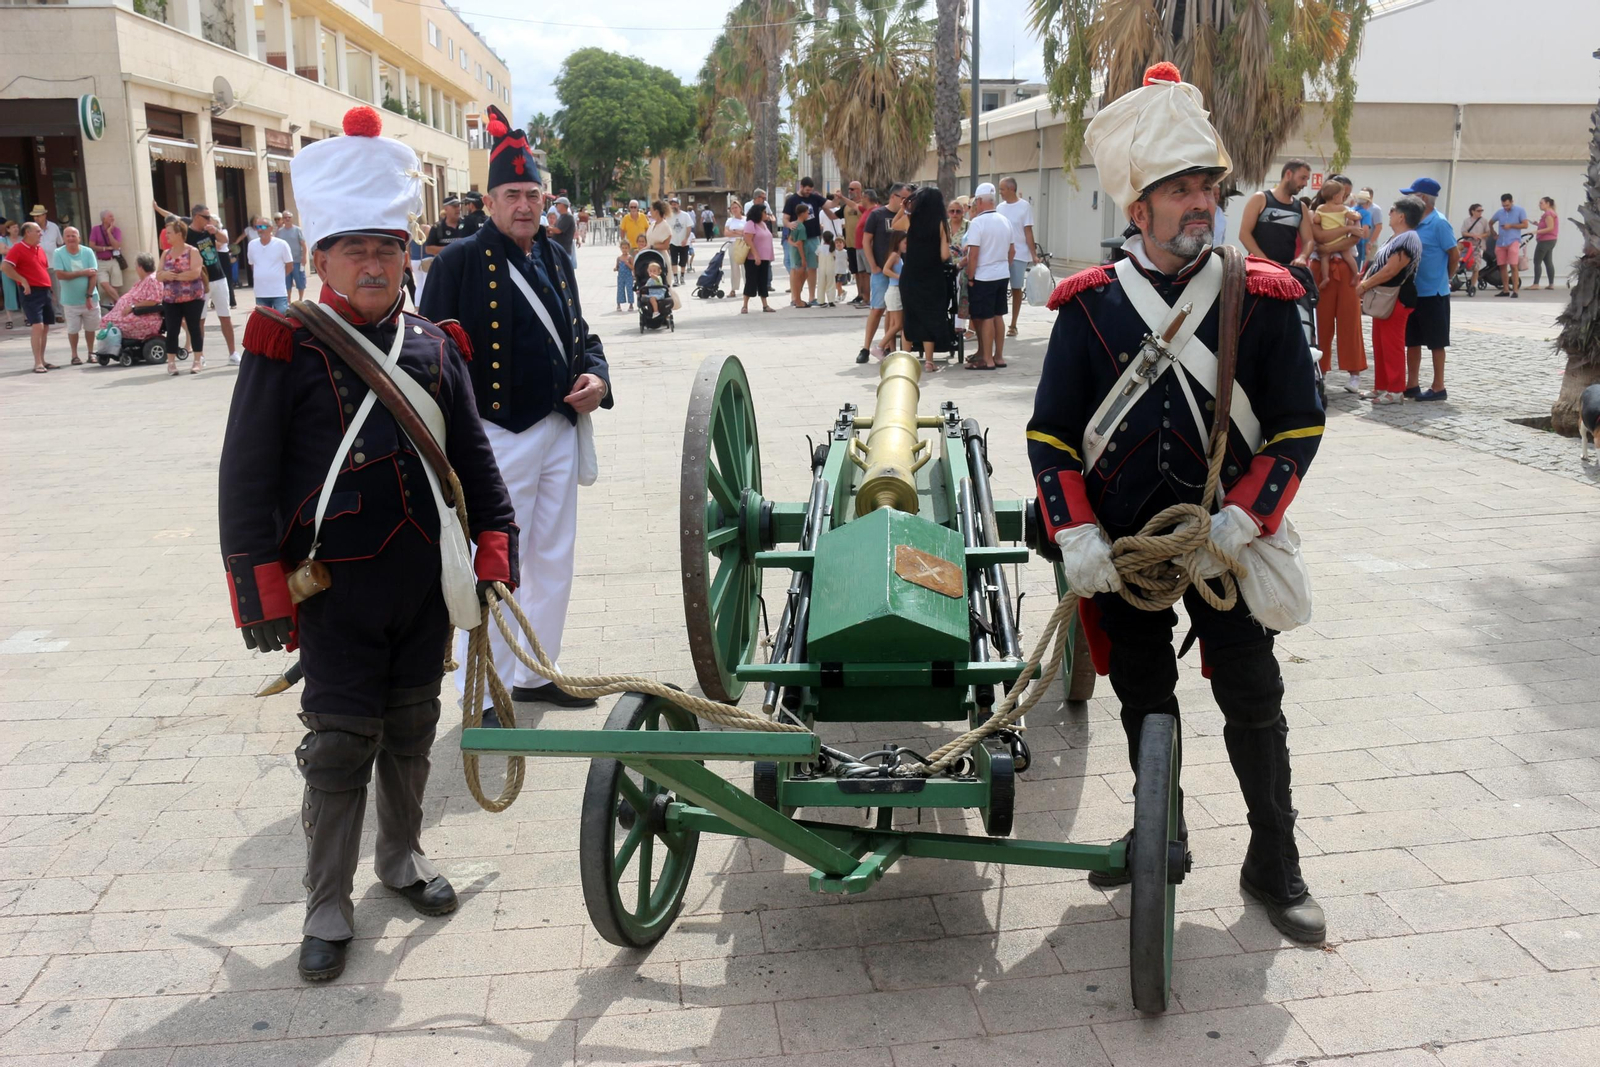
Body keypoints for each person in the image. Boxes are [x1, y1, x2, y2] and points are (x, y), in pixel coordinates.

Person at [1029, 62, 1327, 944]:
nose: (1202, 202)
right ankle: (1164, 833)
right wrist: (1075, 531)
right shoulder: (1086, 310)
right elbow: (1051, 435)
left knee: (1255, 702)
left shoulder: (1261, 295)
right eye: (1181, 189)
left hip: (1225, 550)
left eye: (1208, 186)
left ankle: (1276, 859)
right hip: (1128, 555)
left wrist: (1244, 515)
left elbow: (1298, 424)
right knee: (1144, 698)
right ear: (1139, 207)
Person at [219, 106, 517, 984]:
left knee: (415, 725)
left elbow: (472, 457)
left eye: (388, 247)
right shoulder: (283, 346)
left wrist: (495, 548)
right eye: (355, 249)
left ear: (406, 254)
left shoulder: (434, 345)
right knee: (341, 741)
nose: (375, 263)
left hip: (422, 583)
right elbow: (244, 479)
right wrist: (259, 592)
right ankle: (326, 902)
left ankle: (402, 859)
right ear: (319, 260)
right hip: (334, 591)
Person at [419, 105, 613, 714]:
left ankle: (535, 671)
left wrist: (597, 377)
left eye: (532, 194)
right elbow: (431, 353)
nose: (524, 205)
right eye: (512, 194)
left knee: (554, 555)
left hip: (559, 425)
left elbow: (581, 333)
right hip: (496, 433)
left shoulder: (556, 255)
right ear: (490, 200)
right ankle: (482, 688)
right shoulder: (457, 261)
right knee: (498, 557)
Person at [1355, 196, 1423, 405]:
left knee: (1392, 344)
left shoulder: (1408, 238)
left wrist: (1365, 285)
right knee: (1380, 343)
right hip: (1384, 297)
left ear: (1402, 216)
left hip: (1397, 296)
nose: (1389, 214)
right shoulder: (1395, 237)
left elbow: (1391, 269)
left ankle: (1395, 389)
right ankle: (1382, 385)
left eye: (1393, 210)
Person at [153, 200, 239, 364]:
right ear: (196, 216)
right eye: (206, 217)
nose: (209, 219)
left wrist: (215, 231)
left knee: (225, 317)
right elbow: (172, 217)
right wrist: (157, 209)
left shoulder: (209, 230)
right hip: (200, 282)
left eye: (209, 216)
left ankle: (233, 353)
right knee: (199, 320)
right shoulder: (187, 233)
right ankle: (201, 355)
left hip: (219, 278)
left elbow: (225, 240)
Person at [1401, 177, 1459, 401]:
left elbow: (1454, 254)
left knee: (1436, 342)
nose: (1408, 199)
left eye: (1412, 195)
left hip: (1434, 292)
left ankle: (1438, 386)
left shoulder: (1439, 223)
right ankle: (1412, 383)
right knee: (1412, 340)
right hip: (1414, 291)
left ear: (1423, 198)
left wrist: (1446, 277)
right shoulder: (1413, 222)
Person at [1309, 177, 1367, 393]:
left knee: (1350, 320)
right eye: (1344, 193)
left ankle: (1354, 372)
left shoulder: (1350, 212)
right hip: (1321, 268)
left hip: (1343, 267)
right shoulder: (1316, 212)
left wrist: (1331, 243)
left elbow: (1355, 238)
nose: (1346, 197)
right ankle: (1320, 369)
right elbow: (1319, 237)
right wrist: (1343, 232)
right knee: (1321, 321)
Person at [901, 185, 954, 374]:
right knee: (930, 316)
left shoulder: (910, 220)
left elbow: (894, 225)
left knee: (910, 315)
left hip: (910, 275)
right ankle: (930, 361)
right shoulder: (942, 223)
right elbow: (944, 254)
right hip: (932, 276)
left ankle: (905, 360)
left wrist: (904, 206)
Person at [962, 183, 1014, 371]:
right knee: (998, 316)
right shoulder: (1004, 220)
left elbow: (973, 254)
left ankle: (986, 359)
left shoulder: (978, 223)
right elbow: (1012, 251)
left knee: (985, 317)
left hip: (984, 276)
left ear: (980, 201)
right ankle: (998, 356)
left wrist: (970, 276)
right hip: (1002, 274)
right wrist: (1002, 267)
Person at [858, 184, 909, 363]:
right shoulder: (877, 215)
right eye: (903, 197)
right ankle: (866, 347)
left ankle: (888, 347)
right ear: (893, 196)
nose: (906, 201)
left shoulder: (906, 217)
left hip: (899, 272)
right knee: (877, 308)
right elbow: (866, 240)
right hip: (881, 271)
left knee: (894, 311)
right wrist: (872, 265)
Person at [2, 222, 57, 373]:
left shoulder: (39, 249)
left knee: (45, 326)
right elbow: (5, 267)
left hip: (44, 291)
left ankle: (43, 360)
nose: (41, 234)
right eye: (38, 231)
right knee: (37, 326)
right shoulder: (18, 248)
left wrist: (51, 291)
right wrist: (23, 280)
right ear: (27, 232)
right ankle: (37, 362)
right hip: (30, 292)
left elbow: (43, 269)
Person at [1239, 160, 1315, 267]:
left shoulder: (1301, 207)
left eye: (1307, 180)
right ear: (1288, 174)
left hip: (1287, 270)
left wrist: (1302, 257)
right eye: (1302, 178)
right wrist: (1265, 261)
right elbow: (1244, 234)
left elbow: (1308, 240)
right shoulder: (1260, 199)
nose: (1305, 184)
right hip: (1259, 268)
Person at [157, 216, 207, 375]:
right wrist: (165, 274)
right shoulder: (166, 253)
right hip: (171, 298)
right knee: (172, 329)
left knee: (194, 327)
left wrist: (173, 276)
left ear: (179, 234)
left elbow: (195, 273)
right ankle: (171, 363)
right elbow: (158, 275)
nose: (166, 235)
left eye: (170, 233)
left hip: (193, 297)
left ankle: (197, 360)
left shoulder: (192, 251)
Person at [50, 226, 101, 365]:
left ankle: (91, 353)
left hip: (90, 299)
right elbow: (60, 274)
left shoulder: (88, 252)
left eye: (74, 235)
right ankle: (74, 355)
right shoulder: (58, 253)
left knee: (91, 328)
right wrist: (82, 273)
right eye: (68, 236)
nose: (71, 238)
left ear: (79, 238)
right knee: (73, 329)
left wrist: (89, 295)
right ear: (64, 238)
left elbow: (93, 274)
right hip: (70, 300)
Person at [996, 177, 1038, 338]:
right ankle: (997, 321)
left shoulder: (1024, 207)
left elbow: (1028, 231)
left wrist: (1033, 254)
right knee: (999, 288)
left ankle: (1013, 324)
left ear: (1011, 189)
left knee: (1016, 288)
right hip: (1001, 254)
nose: (1000, 193)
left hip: (1019, 254)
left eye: (1002, 189)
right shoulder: (999, 208)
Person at [782, 176, 831, 307]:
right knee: (795, 268)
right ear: (801, 187)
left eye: (811, 190)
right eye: (807, 190)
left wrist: (838, 198)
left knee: (813, 267)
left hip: (813, 237)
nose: (809, 192)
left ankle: (811, 297)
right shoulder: (792, 200)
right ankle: (795, 297)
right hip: (799, 238)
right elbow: (785, 218)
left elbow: (830, 205)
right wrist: (789, 224)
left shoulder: (815, 198)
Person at [99, 252, 165, 347]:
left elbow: (153, 301)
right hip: (133, 312)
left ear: (141, 267)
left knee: (108, 322)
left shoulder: (152, 280)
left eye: (136, 266)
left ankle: (114, 347)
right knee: (106, 320)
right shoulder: (143, 280)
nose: (135, 268)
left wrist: (132, 306)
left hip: (144, 315)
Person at [246, 215, 295, 313]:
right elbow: (252, 265)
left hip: (278, 292)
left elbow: (289, 265)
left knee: (282, 320)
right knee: (264, 322)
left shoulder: (281, 244)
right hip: (261, 293)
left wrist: (277, 275)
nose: (260, 230)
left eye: (263, 227)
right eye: (257, 227)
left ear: (271, 228)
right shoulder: (252, 245)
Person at [1489, 192, 1529, 297]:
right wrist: (1493, 233)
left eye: (1507, 205)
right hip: (1501, 241)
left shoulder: (1520, 210)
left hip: (1513, 240)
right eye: (1503, 205)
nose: (1505, 207)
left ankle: (1515, 290)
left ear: (1512, 202)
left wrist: (1511, 226)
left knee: (1513, 265)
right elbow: (1490, 222)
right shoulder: (1500, 212)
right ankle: (1505, 289)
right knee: (1502, 266)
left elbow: (1525, 225)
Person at [28, 205, 65, 319]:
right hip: (38, 265)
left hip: (53, 264)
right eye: (34, 216)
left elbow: (60, 243)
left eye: (38, 216)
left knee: (57, 289)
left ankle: (59, 313)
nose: (36, 218)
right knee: (42, 291)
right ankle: (45, 313)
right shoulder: (31, 228)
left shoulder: (54, 227)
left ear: (44, 215)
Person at [739, 202, 776, 314]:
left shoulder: (763, 224)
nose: (766, 214)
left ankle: (765, 305)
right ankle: (745, 305)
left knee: (763, 281)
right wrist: (755, 254)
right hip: (753, 258)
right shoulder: (751, 223)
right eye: (764, 212)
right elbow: (748, 239)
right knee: (751, 280)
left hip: (765, 257)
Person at [88, 210, 125, 305]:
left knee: (116, 285)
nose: (113, 218)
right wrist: (105, 248)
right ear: (104, 219)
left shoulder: (116, 230)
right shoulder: (96, 229)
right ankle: (121, 303)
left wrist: (109, 232)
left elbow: (116, 246)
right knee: (104, 284)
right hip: (101, 262)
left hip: (114, 260)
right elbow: (92, 245)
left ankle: (113, 305)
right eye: (110, 217)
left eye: (113, 216)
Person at [879, 230, 906, 354]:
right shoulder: (894, 255)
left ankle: (893, 350)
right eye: (905, 243)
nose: (907, 245)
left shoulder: (898, 256)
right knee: (898, 325)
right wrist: (899, 277)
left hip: (895, 291)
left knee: (893, 323)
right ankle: (880, 346)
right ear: (898, 242)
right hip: (894, 291)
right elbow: (885, 269)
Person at [841, 181, 866, 305]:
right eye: (848, 189)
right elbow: (833, 215)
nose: (849, 191)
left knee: (864, 272)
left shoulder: (863, 205)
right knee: (855, 271)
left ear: (859, 190)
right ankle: (859, 294)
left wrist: (842, 198)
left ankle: (866, 295)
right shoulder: (846, 207)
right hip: (850, 243)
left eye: (852, 189)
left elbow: (857, 207)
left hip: (862, 244)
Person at [278, 210, 309, 301]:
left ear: (292, 219)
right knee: (287, 282)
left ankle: (300, 299)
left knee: (300, 281)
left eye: (289, 217)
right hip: (284, 262)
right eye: (285, 217)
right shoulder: (279, 232)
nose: (287, 219)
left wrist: (304, 258)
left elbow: (303, 244)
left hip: (297, 261)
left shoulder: (297, 230)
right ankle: (288, 301)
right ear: (283, 219)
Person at [1459, 203, 1489, 295]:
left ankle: (1473, 285)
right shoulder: (1467, 221)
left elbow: (1487, 233)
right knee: (1464, 262)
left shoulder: (1483, 221)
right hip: (1468, 245)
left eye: (1481, 211)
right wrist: (1472, 235)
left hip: (1478, 246)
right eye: (1478, 211)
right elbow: (1463, 233)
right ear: (1472, 211)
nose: (1480, 212)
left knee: (1476, 266)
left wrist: (1480, 236)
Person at [1531, 197, 1559, 289]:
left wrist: (1536, 232)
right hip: (1551, 240)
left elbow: (1550, 228)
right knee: (1548, 261)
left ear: (1548, 204)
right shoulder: (1550, 213)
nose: (1539, 205)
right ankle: (1551, 284)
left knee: (1537, 261)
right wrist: (1537, 225)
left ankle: (1536, 284)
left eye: (1541, 203)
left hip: (1545, 241)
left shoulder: (1548, 213)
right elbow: (1547, 226)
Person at [668, 197, 694, 285]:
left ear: (678, 205)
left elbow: (689, 227)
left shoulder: (685, 215)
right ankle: (675, 278)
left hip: (684, 242)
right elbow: (667, 229)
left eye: (675, 204)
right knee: (673, 260)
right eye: (671, 205)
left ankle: (682, 276)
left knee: (683, 260)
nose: (673, 206)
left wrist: (686, 239)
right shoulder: (668, 216)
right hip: (673, 242)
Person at [723, 202, 746, 298]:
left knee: (746, 267)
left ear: (740, 208)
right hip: (733, 244)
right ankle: (733, 289)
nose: (734, 210)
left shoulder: (746, 219)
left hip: (744, 244)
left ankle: (748, 287)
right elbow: (726, 233)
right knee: (734, 267)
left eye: (736, 207)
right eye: (732, 208)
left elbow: (747, 233)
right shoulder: (729, 220)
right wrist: (739, 233)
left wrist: (735, 231)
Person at [0, 219, 20, 329]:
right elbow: (2, 251)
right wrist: (16, 250)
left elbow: (25, 251)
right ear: (8, 229)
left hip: (21, 269)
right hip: (7, 269)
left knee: (23, 293)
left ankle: (27, 317)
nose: (16, 229)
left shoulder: (22, 239)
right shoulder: (3, 239)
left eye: (17, 227)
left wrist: (9, 249)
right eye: (13, 227)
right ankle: (9, 319)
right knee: (9, 293)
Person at [817, 230, 838, 308]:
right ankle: (831, 300)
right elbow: (835, 258)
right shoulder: (832, 249)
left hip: (821, 268)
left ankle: (821, 301)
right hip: (831, 268)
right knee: (831, 284)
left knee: (821, 284)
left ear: (823, 238)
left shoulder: (819, 248)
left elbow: (817, 257)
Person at [615, 238, 635, 311]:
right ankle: (618, 304)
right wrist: (616, 268)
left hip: (628, 276)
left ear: (629, 248)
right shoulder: (619, 258)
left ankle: (631, 304)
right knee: (620, 290)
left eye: (626, 248)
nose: (624, 250)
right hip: (621, 277)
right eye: (623, 248)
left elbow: (633, 267)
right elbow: (617, 267)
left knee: (629, 289)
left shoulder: (630, 258)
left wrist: (628, 264)